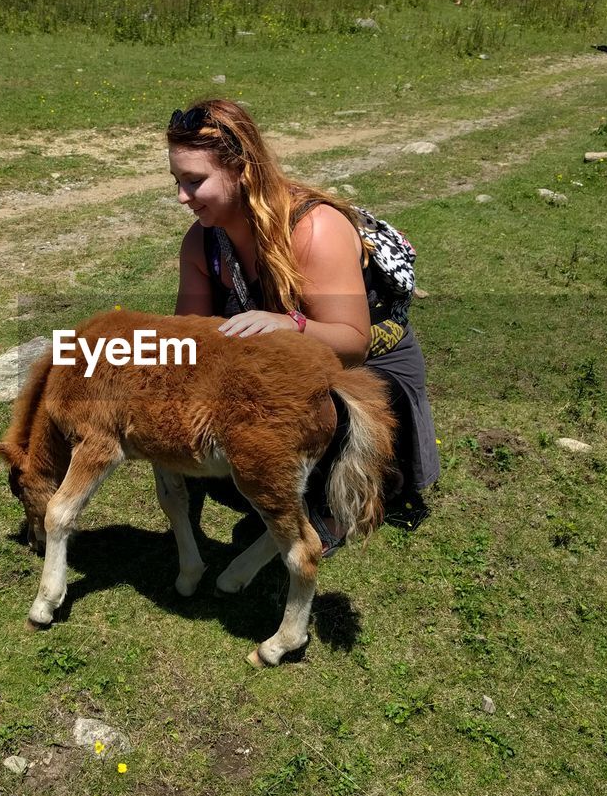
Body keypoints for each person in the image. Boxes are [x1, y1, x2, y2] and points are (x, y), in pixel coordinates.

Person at [168, 99, 441, 557]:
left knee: (324, 407)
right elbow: (188, 335)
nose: (182, 197)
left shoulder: (314, 229)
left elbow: (353, 344)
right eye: (177, 182)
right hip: (280, 368)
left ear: (242, 171)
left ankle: (333, 514)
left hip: (366, 370)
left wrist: (288, 325)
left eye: (195, 181)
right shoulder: (202, 243)